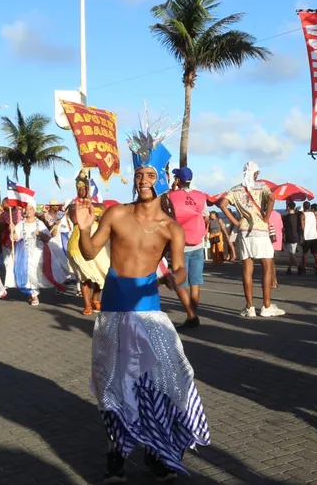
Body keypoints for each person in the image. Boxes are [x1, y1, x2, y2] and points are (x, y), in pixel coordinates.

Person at [75, 120, 210, 482]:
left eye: (150, 174)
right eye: (139, 174)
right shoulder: (117, 213)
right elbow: (89, 253)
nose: (143, 180)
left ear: (161, 178)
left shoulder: (172, 228)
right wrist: (83, 225)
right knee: (113, 384)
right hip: (115, 311)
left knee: (162, 379)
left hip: (149, 311)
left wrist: (172, 278)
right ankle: (116, 454)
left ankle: (156, 451)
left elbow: (180, 270)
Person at [219, 162, 285, 318]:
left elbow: (222, 204)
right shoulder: (261, 187)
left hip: (244, 232)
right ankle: (266, 306)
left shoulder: (235, 190)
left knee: (247, 270)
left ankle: (250, 307)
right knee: (267, 267)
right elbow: (272, 198)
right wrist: (267, 217)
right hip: (261, 230)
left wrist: (235, 222)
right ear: (256, 174)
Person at [5, 202, 68, 306]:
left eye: (30, 209)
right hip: (25, 252)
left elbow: (47, 238)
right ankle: (34, 295)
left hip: (39, 251)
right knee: (28, 271)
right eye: (27, 209)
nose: (28, 211)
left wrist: (40, 233)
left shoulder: (40, 223)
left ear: (34, 211)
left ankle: (34, 290)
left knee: (37, 272)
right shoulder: (21, 224)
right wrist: (12, 230)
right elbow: (15, 238)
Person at [169, 167, 209, 329]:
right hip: (198, 243)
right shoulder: (200, 196)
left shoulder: (171, 196)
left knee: (179, 282)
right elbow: (205, 217)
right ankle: (192, 315)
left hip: (180, 245)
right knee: (195, 283)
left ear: (178, 180)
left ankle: (191, 316)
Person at [68, 171, 109, 314]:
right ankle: (87, 305)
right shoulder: (73, 206)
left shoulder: (101, 206)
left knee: (104, 272)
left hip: (98, 242)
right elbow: (74, 219)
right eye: (79, 189)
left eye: (85, 188)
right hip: (79, 242)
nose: (82, 191)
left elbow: (106, 220)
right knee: (84, 276)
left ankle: (95, 297)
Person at [300, 201, 317, 274]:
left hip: (307, 236)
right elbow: (316, 225)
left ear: (303, 207)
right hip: (314, 235)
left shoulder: (303, 215)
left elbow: (302, 227)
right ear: (309, 207)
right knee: (316, 253)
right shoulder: (313, 214)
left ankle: (304, 268)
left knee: (305, 253)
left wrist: (302, 235)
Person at [282, 201, 302, 275]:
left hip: (289, 237)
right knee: (291, 253)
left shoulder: (286, 217)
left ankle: (299, 266)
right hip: (296, 236)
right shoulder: (297, 216)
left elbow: (283, 228)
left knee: (292, 253)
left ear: (288, 207)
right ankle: (289, 268)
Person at [268, 208, 284, 289]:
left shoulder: (265, 214)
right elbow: (281, 227)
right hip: (277, 241)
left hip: (268, 240)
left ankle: (273, 281)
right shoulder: (278, 215)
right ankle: (274, 280)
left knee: (270, 263)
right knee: (272, 262)